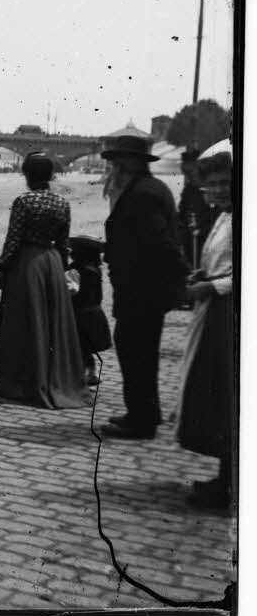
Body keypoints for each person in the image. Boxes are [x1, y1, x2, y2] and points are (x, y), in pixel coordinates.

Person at [98, 135, 189, 439]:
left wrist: (183, 275)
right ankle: (143, 412)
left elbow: (160, 243)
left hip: (142, 290)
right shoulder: (149, 189)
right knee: (140, 351)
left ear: (127, 164)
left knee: (135, 350)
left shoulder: (142, 194)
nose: (109, 169)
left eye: (113, 163)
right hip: (143, 289)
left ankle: (141, 420)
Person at [0, 153, 91, 408]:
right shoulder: (61, 202)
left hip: (27, 264)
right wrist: (62, 271)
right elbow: (64, 243)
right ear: (51, 176)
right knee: (50, 320)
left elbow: (13, 240)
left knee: (24, 320)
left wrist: (3, 266)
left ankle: (21, 378)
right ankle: (50, 374)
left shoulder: (24, 201)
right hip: (52, 262)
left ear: (27, 175)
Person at [173, 148, 234, 509]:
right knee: (217, 396)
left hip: (229, 316)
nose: (219, 191)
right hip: (215, 313)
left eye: (226, 183)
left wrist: (211, 286)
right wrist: (203, 275)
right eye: (212, 185)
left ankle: (229, 484)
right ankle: (227, 476)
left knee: (226, 397)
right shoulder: (224, 218)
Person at [66, 235, 112, 388]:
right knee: (86, 346)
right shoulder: (95, 270)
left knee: (79, 344)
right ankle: (91, 372)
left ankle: (82, 374)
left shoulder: (75, 269)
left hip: (80, 313)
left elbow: (71, 291)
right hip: (95, 312)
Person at [177, 148, 216, 271]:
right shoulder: (189, 190)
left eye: (190, 172)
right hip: (191, 246)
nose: (188, 177)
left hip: (210, 246)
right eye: (185, 173)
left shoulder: (215, 189)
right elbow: (182, 215)